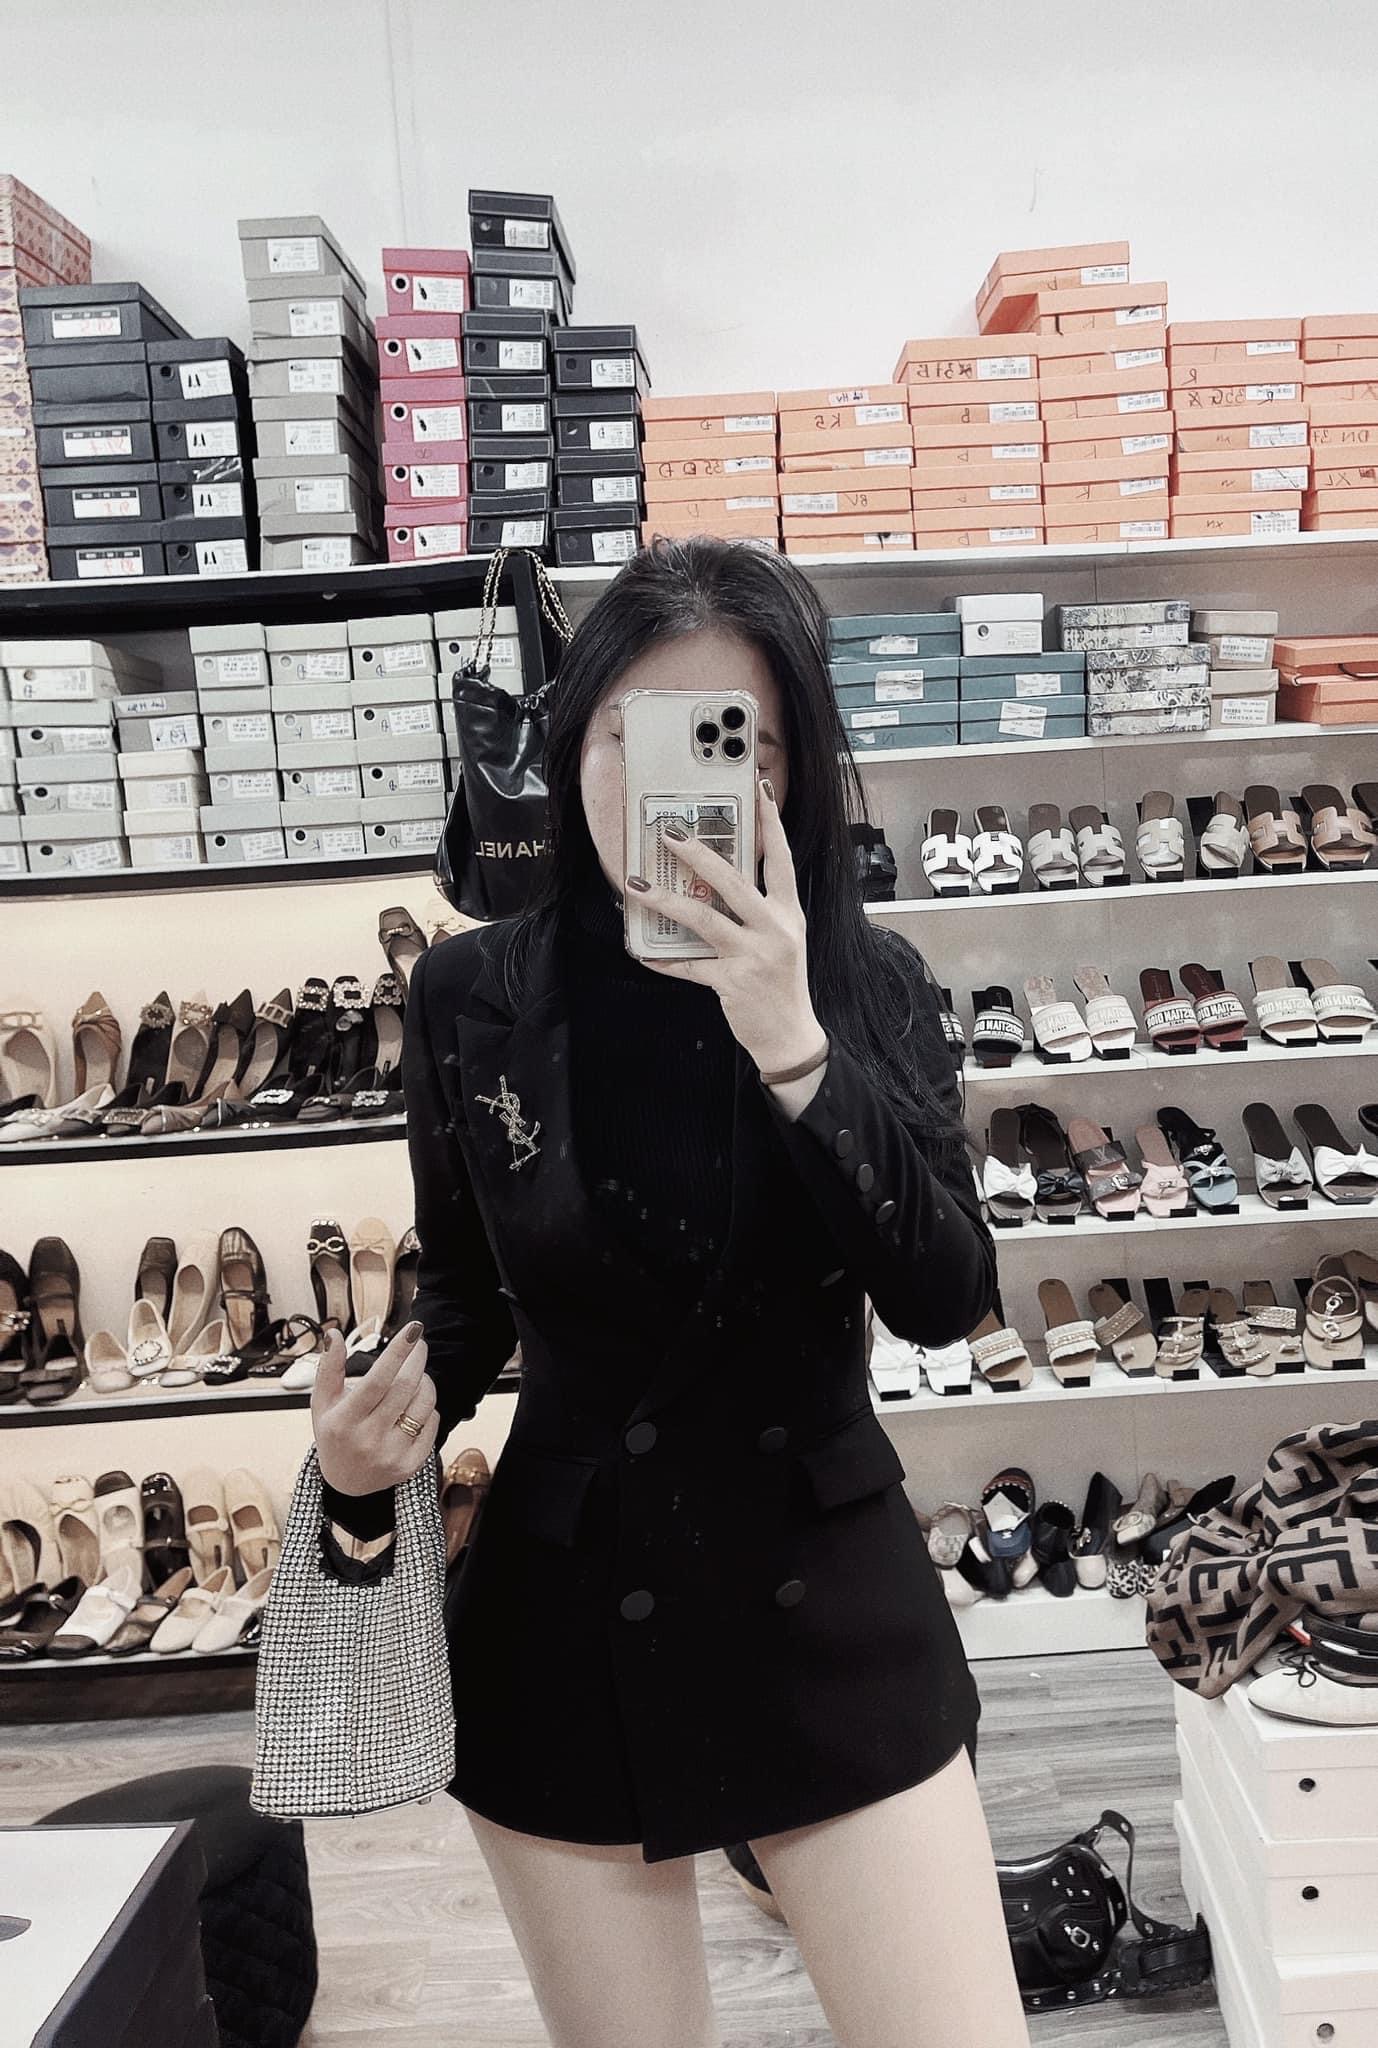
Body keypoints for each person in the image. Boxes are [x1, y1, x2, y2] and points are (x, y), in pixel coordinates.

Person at [310, 537, 1028, 2048]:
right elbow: (467, 1297)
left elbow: (944, 1294)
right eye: (641, 736)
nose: (688, 783)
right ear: (575, 743)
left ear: (792, 772)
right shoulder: (471, 997)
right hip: (567, 1609)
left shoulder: (868, 983)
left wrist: (793, 1041)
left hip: (825, 1599)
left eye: (739, 743)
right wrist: (375, 1432)